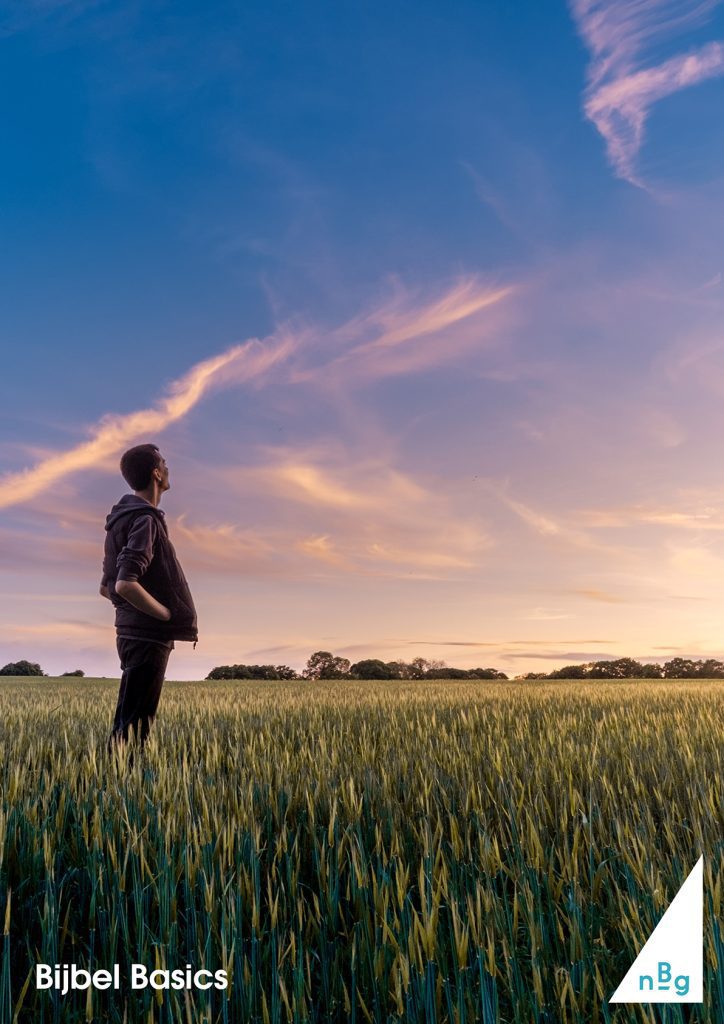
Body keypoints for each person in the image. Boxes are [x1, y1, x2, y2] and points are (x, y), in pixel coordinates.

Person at [100, 443, 198, 752]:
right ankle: (122, 790)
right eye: (165, 464)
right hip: (147, 635)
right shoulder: (145, 519)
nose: (168, 469)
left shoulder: (120, 520)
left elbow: (106, 586)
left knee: (128, 721)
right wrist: (165, 616)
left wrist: (129, 614)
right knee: (136, 729)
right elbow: (124, 585)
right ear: (156, 473)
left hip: (130, 633)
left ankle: (113, 783)